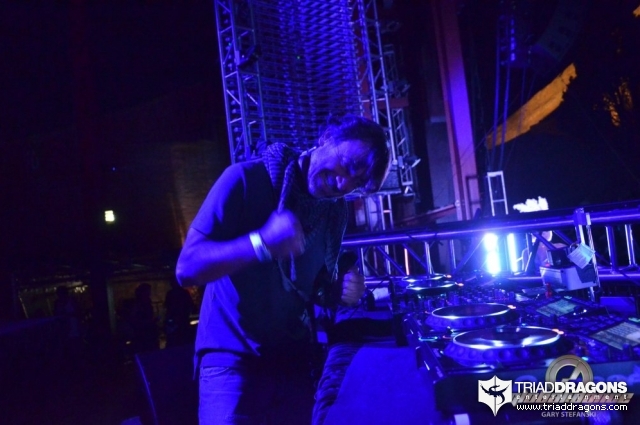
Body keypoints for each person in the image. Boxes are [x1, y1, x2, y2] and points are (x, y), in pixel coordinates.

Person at [175, 114, 391, 425]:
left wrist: (342, 289)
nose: (343, 184)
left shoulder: (333, 213)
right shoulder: (245, 179)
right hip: (232, 358)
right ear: (327, 137)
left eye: (356, 183)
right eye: (348, 165)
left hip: (292, 364)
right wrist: (261, 243)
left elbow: (315, 289)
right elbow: (187, 268)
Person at [164, 278, 196, 347]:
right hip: (180, 318)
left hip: (178, 318)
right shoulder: (181, 293)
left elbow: (167, 306)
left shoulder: (171, 293)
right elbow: (190, 304)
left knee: (178, 336)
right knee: (181, 336)